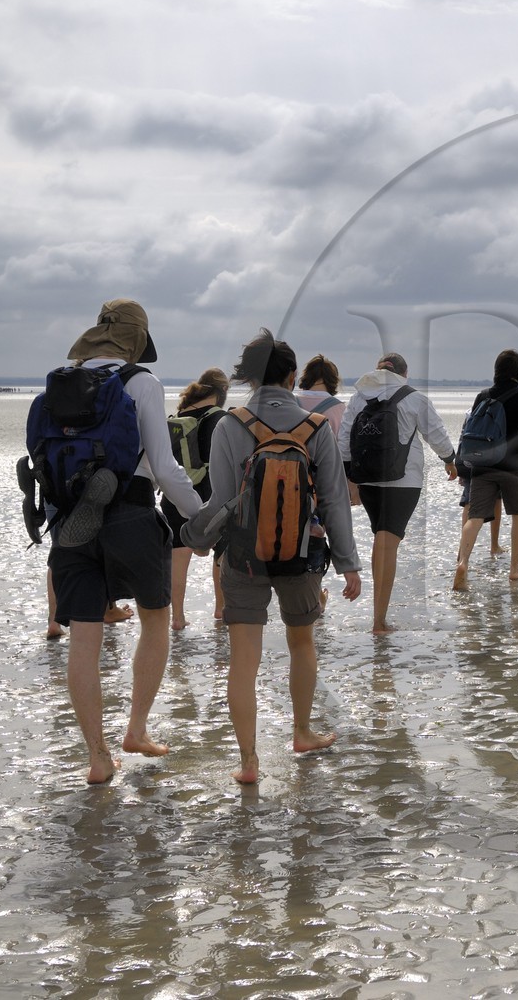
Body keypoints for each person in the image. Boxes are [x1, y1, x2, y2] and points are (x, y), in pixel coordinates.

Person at [181, 330, 362, 785]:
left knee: (244, 660)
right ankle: (302, 733)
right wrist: (348, 564)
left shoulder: (229, 425)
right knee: (302, 644)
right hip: (302, 555)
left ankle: (248, 761)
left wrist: (196, 537)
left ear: (249, 378)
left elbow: (221, 499)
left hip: (243, 556)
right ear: (292, 375)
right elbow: (335, 502)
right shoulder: (316, 427)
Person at [42, 299, 203, 785]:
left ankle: (98, 757)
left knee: (84, 637)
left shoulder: (62, 382)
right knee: (155, 618)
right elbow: (165, 467)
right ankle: (136, 729)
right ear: (136, 339)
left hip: (70, 521)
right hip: (130, 514)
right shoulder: (141, 382)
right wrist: (199, 515)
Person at [339, 352, 458, 634]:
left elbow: (344, 438)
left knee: (381, 539)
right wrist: (450, 460)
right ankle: (379, 621)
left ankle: (378, 616)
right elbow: (436, 434)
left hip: (367, 480)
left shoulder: (358, 397)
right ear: (404, 374)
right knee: (387, 542)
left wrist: (349, 476)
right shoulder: (414, 398)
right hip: (404, 481)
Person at [454, 349, 518, 590]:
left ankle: (463, 562)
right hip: (513, 466)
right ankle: (514, 570)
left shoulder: (482, 396)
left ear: (496, 370)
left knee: (475, 517)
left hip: (483, 465)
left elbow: (471, 429)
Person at [166, 367, 229, 630]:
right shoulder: (220, 418)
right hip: (210, 491)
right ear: (221, 392)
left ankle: (177, 617)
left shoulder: (179, 415)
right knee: (222, 551)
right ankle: (221, 608)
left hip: (175, 491)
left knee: (178, 555)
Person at [297, 354, 346, 610]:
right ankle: (315, 596)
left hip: (283, 477)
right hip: (320, 485)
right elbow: (342, 453)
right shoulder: (338, 408)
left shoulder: (291, 402)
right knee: (316, 538)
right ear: (333, 380)